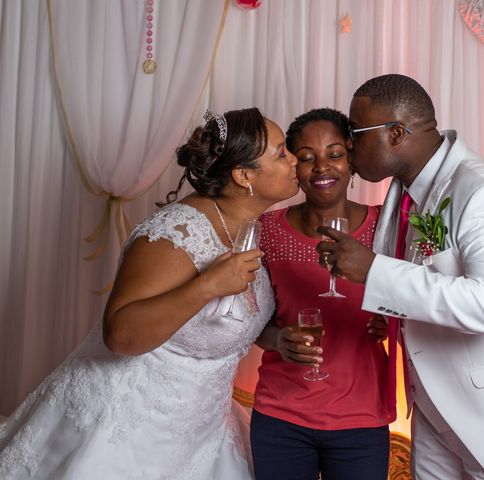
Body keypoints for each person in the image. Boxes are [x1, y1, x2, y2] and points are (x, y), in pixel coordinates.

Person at [249, 108, 484, 480]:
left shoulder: (387, 223)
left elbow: (439, 276)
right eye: (307, 157)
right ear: (294, 165)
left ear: (351, 159)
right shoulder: (266, 230)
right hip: (281, 414)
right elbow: (246, 321)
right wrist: (279, 338)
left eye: (335, 154)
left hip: (361, 416)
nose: (322, 167)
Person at [0, 107, 299, 479]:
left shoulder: (252, 230)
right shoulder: (178, 231)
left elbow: (232, 321)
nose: (295, 160)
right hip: (125, 429)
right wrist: (207, 285)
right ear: (243, 176)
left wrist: (277, 337)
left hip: (200, 432)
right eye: (282, 152)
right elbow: (121, 334)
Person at [317, 74, 484, 480]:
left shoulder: (483, 191)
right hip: (438, 408)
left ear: (397, 133)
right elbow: (428, 276)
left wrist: (374, 271)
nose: (348, 144)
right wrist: (387, 316)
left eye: (354, 132)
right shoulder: (404, 190)